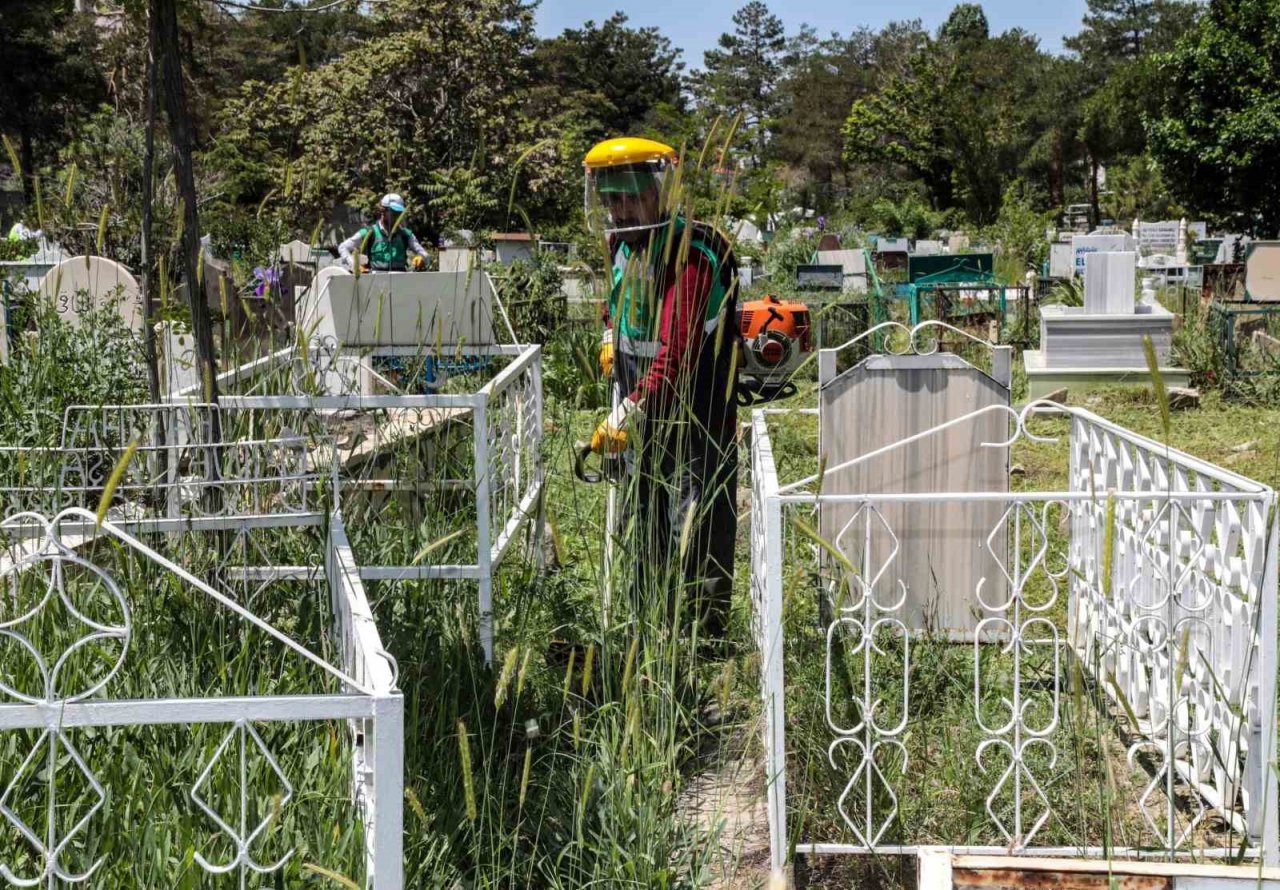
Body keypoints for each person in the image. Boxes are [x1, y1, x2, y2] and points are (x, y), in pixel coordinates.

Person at [584, 136, 740, 641]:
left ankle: (702, 634)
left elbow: (677, 354)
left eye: (632, 198)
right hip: (642, 399)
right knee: (643, 504)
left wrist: (627, 411)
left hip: (698, 404)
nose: (622, 211)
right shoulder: (621, 244)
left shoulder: (691, 257)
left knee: (698, 512)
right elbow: (615, 300)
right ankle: (646, 619)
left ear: (657, 195)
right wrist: (610, 334)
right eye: (612, 201)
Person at [337, 193, 432, 271]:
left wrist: (422, 258)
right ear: (383, 211)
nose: (397, 216)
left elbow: (426, 255)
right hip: (375, 280)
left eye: (399, 213)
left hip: (400, 279)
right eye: (393, 212)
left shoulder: (406, 234)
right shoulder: (369, 232)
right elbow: (343, 247)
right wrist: (354, 265)